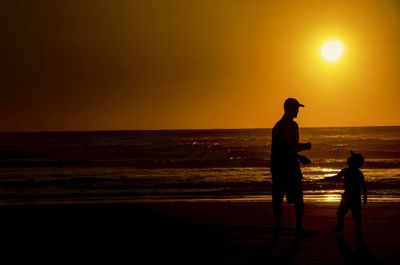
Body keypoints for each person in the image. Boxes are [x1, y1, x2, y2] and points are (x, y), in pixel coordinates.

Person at [270, 98, 312, 235]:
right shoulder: (280, 127)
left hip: (288, 164)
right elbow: (284, 149)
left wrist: (304, 147)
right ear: (289, 109)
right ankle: (279, 227)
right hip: (281, 166)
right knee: (281, 196)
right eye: (296, 108)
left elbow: (291, 147)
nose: (298, 111)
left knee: (294, 197)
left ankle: (296, 227)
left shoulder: (292, 126)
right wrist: (300, 156)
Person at [326, 151, 367, 237]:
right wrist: (365, 196)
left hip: (349, 196)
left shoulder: (347, 171)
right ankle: (356, 231)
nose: (348, 159)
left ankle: (341, 229)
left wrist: (326, 179)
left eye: (350, 159)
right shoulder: (358, 173)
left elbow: (336, 178)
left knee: (343, 214)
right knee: (354, 216)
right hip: (353, 196)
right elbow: (363, 186)